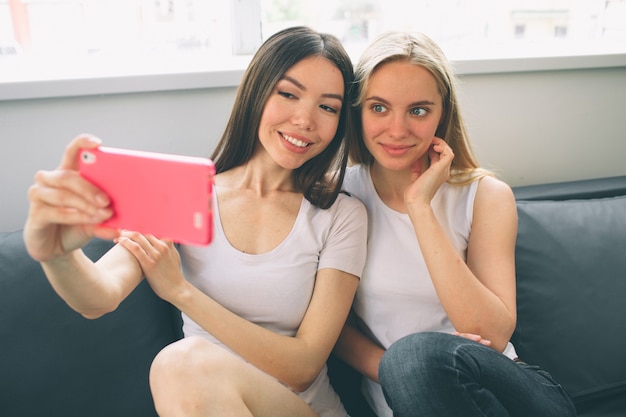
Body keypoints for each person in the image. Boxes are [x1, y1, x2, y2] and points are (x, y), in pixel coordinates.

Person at [24, 26, 367, 417]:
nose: (305, 119)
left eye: (328, 107)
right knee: (183, 366)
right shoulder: (184, 194)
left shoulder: (340, 215)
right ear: (256, 92)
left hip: (304, 409)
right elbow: (98, 298)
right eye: (288, 94)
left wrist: (180, 291)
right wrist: (56, 256)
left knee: (182, 363)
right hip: (201, 400)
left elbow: (303, 368)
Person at [334, 31, 576, 417]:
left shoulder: (485, 197)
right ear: (357, 110)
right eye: (379, 108)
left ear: (442, 114)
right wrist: (401, 372)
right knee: (411, 360)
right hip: (406, 400)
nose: (397, 130)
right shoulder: (338, 196)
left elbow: (493, 336)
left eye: (418, 110)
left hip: (506, 395)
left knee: (413, 357)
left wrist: (420, 207)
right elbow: (330, 330)